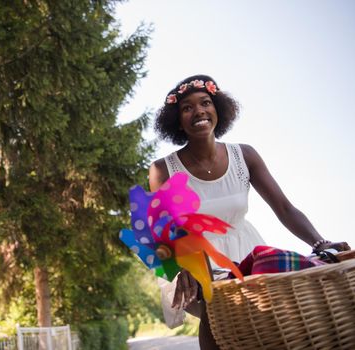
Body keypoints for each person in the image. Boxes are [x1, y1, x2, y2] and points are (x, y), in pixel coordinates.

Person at [148, 74, 351, 350]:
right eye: (187, 108)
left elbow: (284, 208)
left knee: (265, 327)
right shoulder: (163, 170)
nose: (198, 111)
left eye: (205, 102)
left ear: (217, 108)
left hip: (244, 249)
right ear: (178, 120)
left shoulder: (245, 156)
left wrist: (319, 242)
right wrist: (183, 268)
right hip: (192, 256)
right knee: (213, 305)